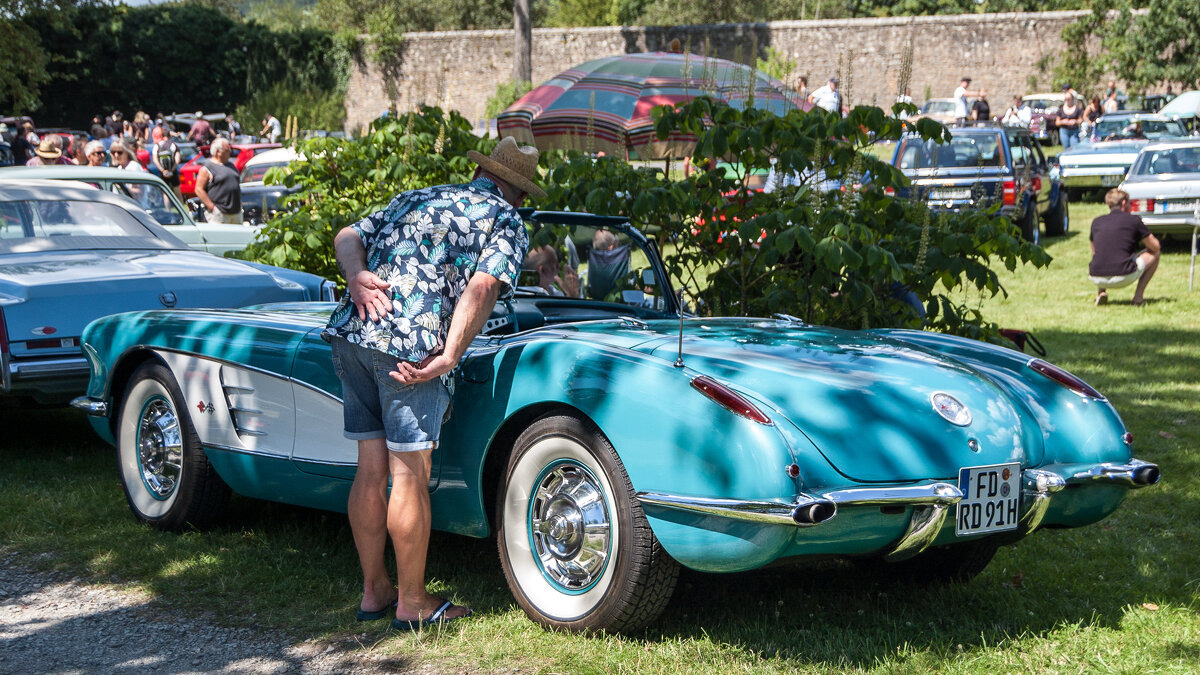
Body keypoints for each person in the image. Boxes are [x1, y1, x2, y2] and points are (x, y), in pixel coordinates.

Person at [323, 136, 542, 629]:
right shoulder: (505, 218)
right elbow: (483, 286)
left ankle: (375, 590)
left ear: (482, 173)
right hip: (409, 349)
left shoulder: (418, 197)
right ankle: (413, 602)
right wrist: (449, 353)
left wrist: (356, 277)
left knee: (370, 470)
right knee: (408, 476)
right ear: (518, 192)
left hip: (354, 333)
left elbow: (345, 236)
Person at [1089, 188, 1160, 307]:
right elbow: (1155, 247)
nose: (1131, 206)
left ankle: (1101, 293)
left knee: (1101, 256)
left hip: (1096, 276)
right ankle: (1138, 298)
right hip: (1124, 276)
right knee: (1155, 254)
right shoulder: (1134, 220)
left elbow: (1094, 252)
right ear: (1123, 203)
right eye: (1130, 203)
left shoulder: (1096, 222)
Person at [194, 137, 241, 223]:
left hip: (236, 212)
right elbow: (198, 189)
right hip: (219, 213)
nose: (230, 152)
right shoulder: (207, 167)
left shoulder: (231, 165)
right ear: (217, 152)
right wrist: (212, 207)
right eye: (227, 150)